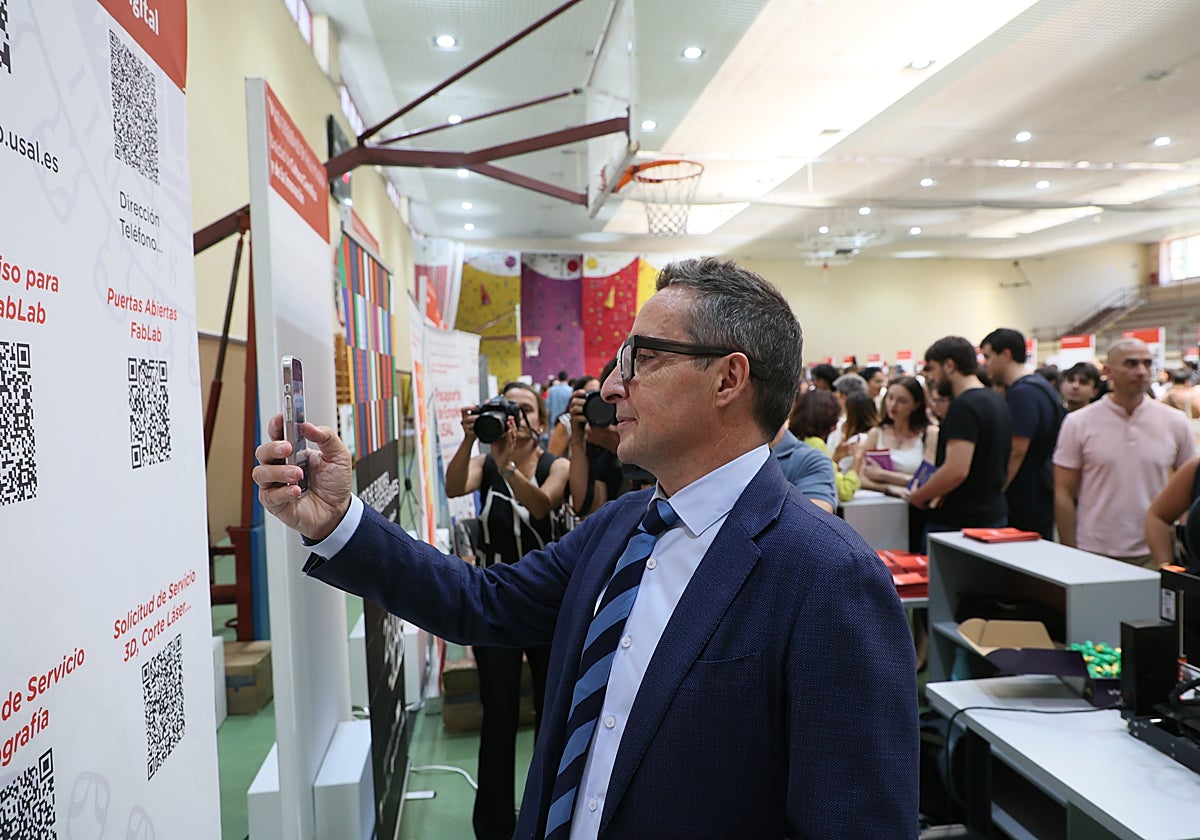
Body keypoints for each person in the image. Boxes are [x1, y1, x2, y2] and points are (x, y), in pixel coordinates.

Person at [253, 257, 918, 839]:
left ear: (728, 380)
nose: (610, 386)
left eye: (643, 359)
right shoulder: (624, 526)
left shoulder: (829, 579)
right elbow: (482, 603)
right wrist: (340, 519)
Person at [444, 381, 570, 840]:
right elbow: (454, 485)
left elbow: (543, 506)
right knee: (496, 712)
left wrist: (510, 468)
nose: (516, 419)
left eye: (525, 410)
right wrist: (468, 439)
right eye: (508, 409)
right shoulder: (486, 462)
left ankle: (544, 815)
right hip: (495, 595)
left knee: (549, 711)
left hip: (546, 598)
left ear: (540, 420)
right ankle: (494, 825)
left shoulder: (557, 464)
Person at [1053, 339, 1195, 566]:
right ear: (1108, 371)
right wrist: (1070, 553)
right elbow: (1064, 492)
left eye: (1146, 364)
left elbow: (1191, 489)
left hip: (1155, 552)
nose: (1141, 371)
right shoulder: (1078, 423)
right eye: (1131, 364)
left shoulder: (1174, 422)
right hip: (1094, 551)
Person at [908, 336, 1012, 542]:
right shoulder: (996, 400)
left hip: (959, 521)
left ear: (949, 365)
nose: (931, 378)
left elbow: (956, 470)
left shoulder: (964, 406)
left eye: (933, 368)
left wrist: (919, 496)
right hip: (992, 512)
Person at [981, 328, 1066, 539]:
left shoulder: (1023, 393)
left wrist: (996, 492)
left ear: (1006, 355)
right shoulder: (1042, 387)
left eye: (988, 357)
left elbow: (1016, 450)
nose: (985, 364)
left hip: (1026, 496)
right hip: (1041, 489)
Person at [859, 376, 939, 550]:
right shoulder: (876, 433)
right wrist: (889, 488)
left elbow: (926, 479)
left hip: (915, 509)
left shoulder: (929, 434)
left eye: (902, 401)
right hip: (878, 510)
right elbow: (860, 476)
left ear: (916, 404)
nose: (893, 406)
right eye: (890, 398)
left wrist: (883, 476)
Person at [791, 388, 864, 503]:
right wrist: (857, 459)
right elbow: (844, 491)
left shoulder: (795, 440)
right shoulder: (816, 444)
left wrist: (834, 459)